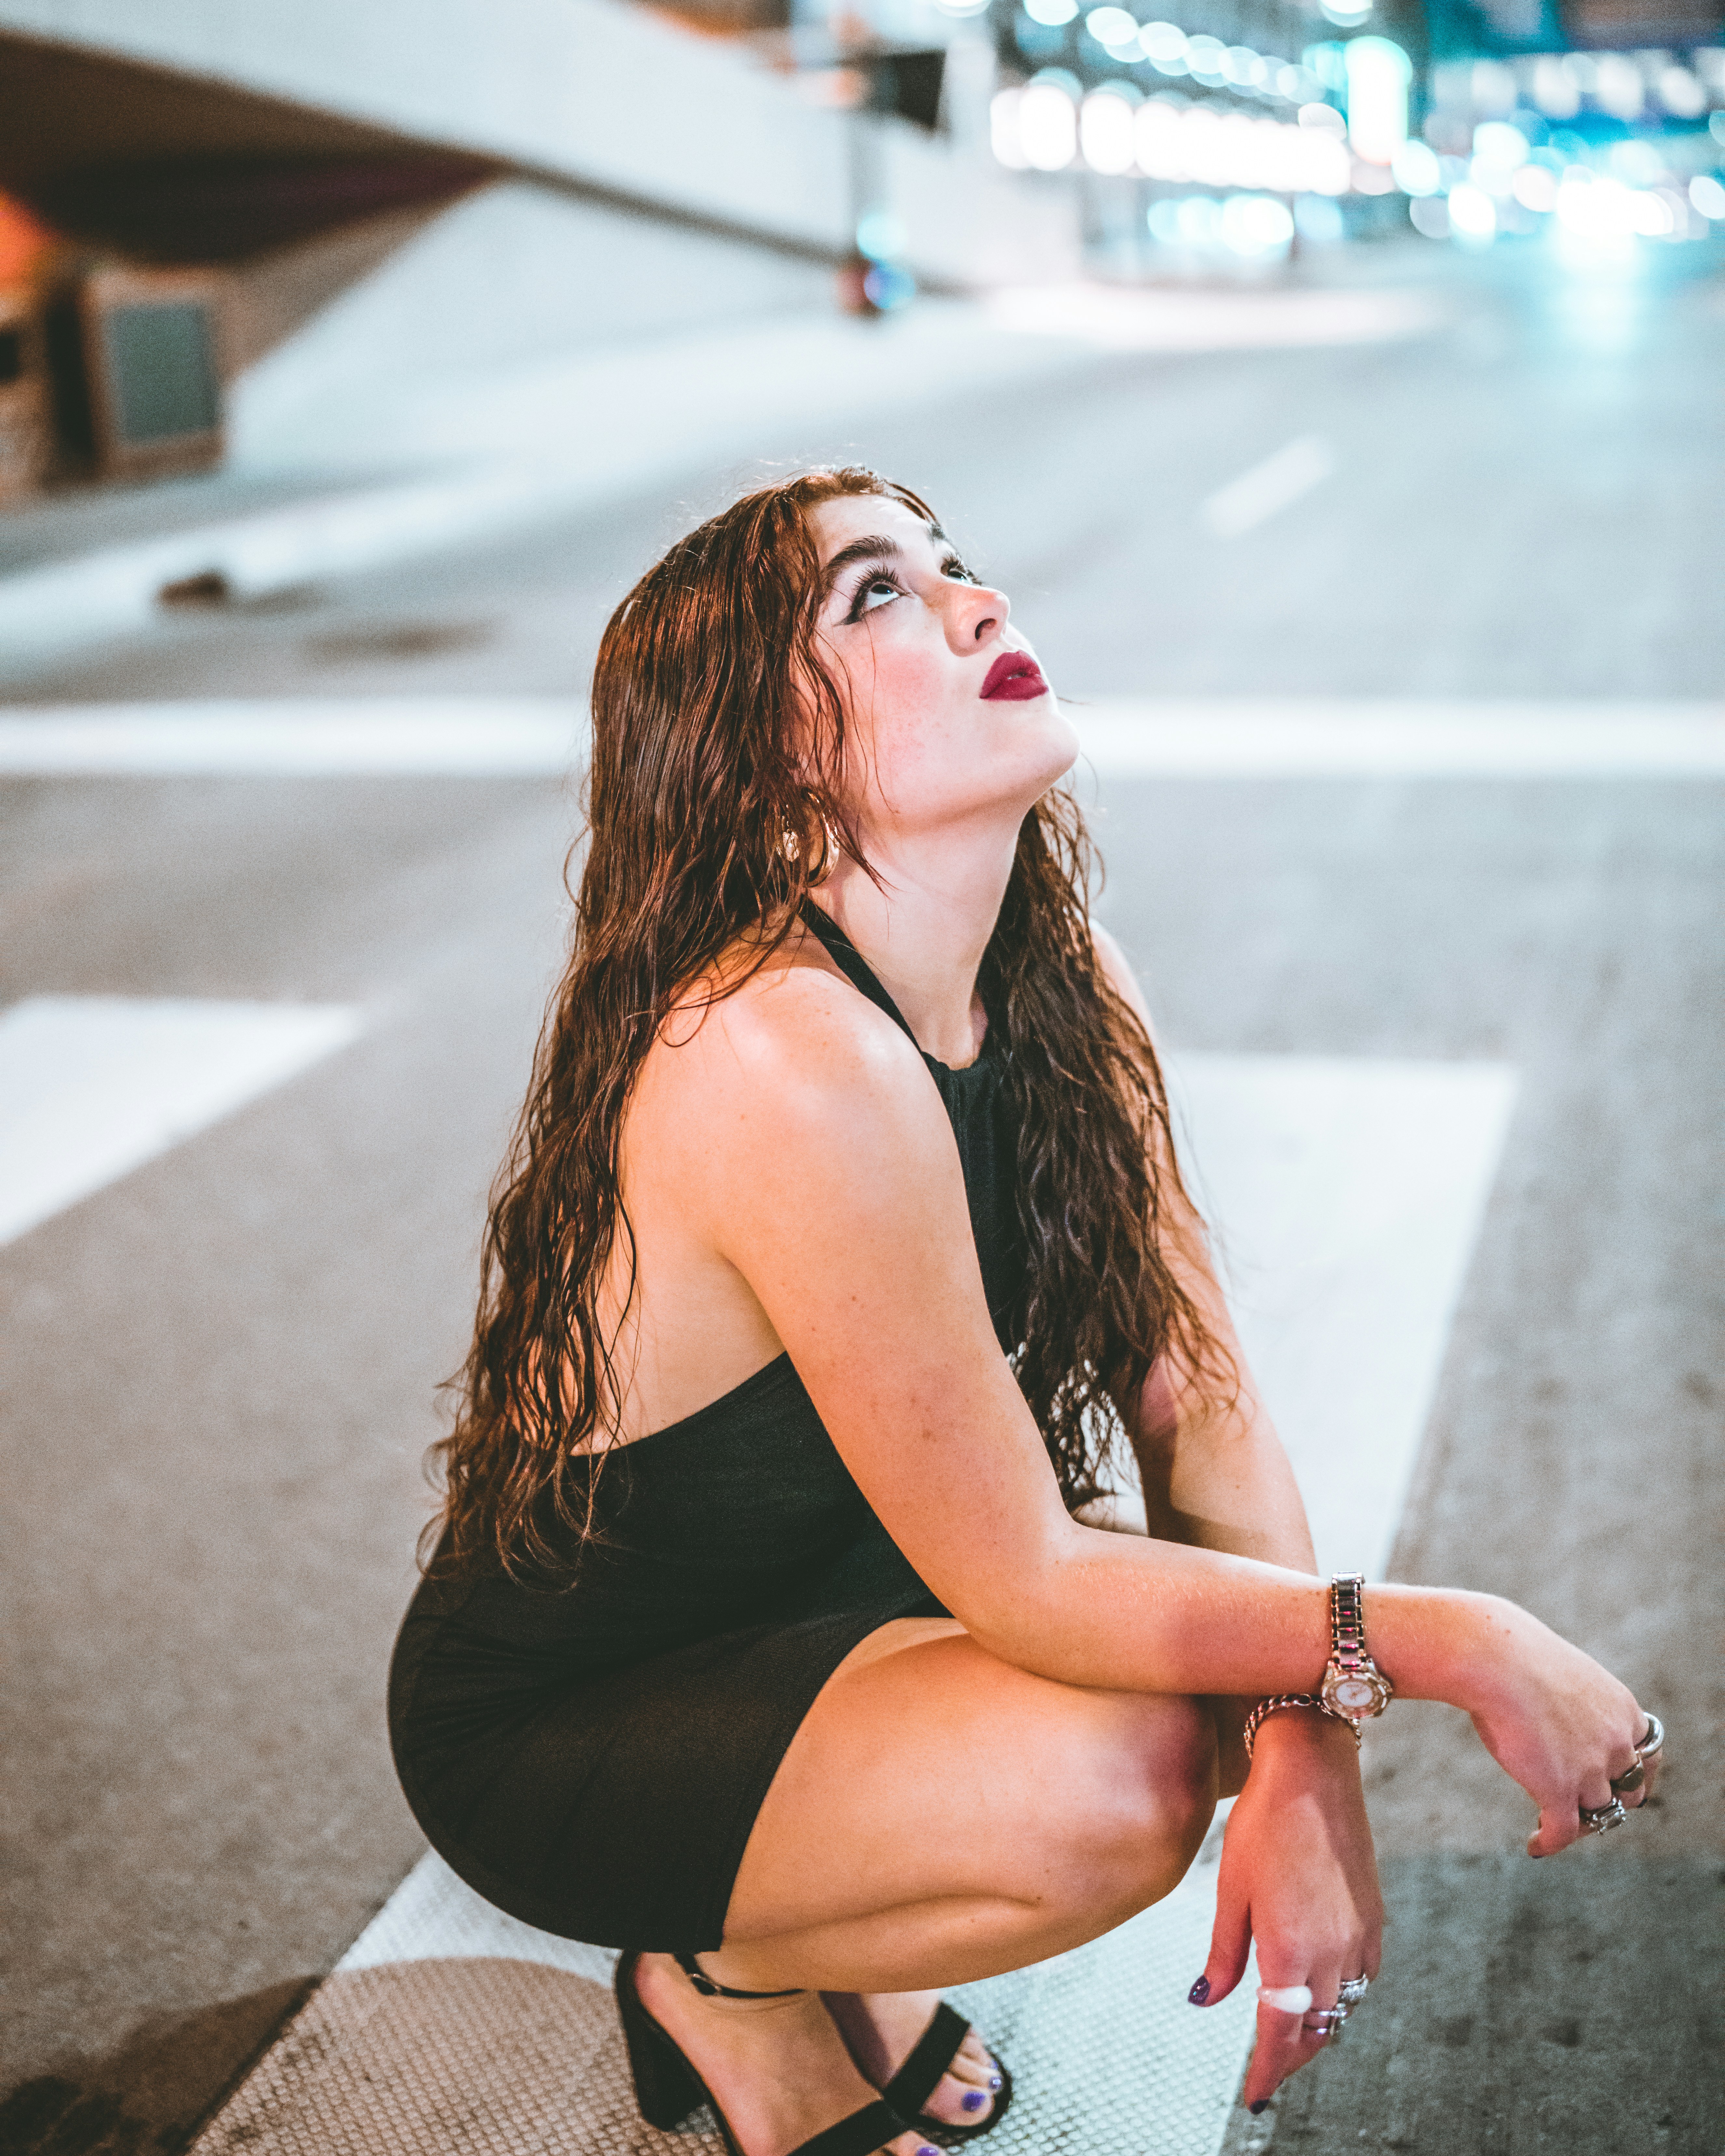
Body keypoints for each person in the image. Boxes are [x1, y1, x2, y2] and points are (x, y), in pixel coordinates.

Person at [388, 466, 1663, 2156]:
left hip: (848, 1601)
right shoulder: (783, 1054)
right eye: (876, 595)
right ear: (762, 755)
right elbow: (1032, 1580)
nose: (978, 604)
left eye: (954, 566)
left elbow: (1194, 1391)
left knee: (1209, 1698)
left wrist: (1309, 1746)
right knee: (1125, 1782)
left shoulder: (1063, 973)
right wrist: (1455, 1639)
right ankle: (728, 1970)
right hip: (586, 1709)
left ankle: (791, 1927)